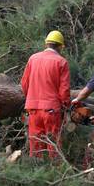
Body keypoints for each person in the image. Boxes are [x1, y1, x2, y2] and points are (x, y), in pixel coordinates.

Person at [21, 30, 71, 158]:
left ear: (46, 44)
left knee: (36, 148)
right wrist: (66, 106)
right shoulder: (61, 62)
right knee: (53, 147)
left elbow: (24, 84)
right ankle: (55, 174)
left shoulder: (33, 58)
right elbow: (64, 90)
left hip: (33, 110)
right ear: (60, 46)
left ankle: (37, 173)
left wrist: (31, 99)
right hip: (51, 111)